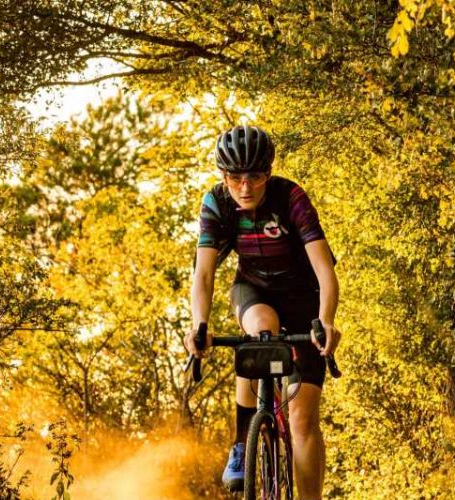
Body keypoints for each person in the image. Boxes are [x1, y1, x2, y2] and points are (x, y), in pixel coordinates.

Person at [184, 125, 340, 499]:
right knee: (259, 329)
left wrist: (327, 321)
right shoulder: (216, 203)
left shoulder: (291, 198)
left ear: (268, 173)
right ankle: (242, 443)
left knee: (302, 419)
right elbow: (203, 274)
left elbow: (324, 270)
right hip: (253, 290)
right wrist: (199, 326)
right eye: (235, 177)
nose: (245, 187)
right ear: (223, 176)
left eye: (254, 176)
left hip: (302, 298)